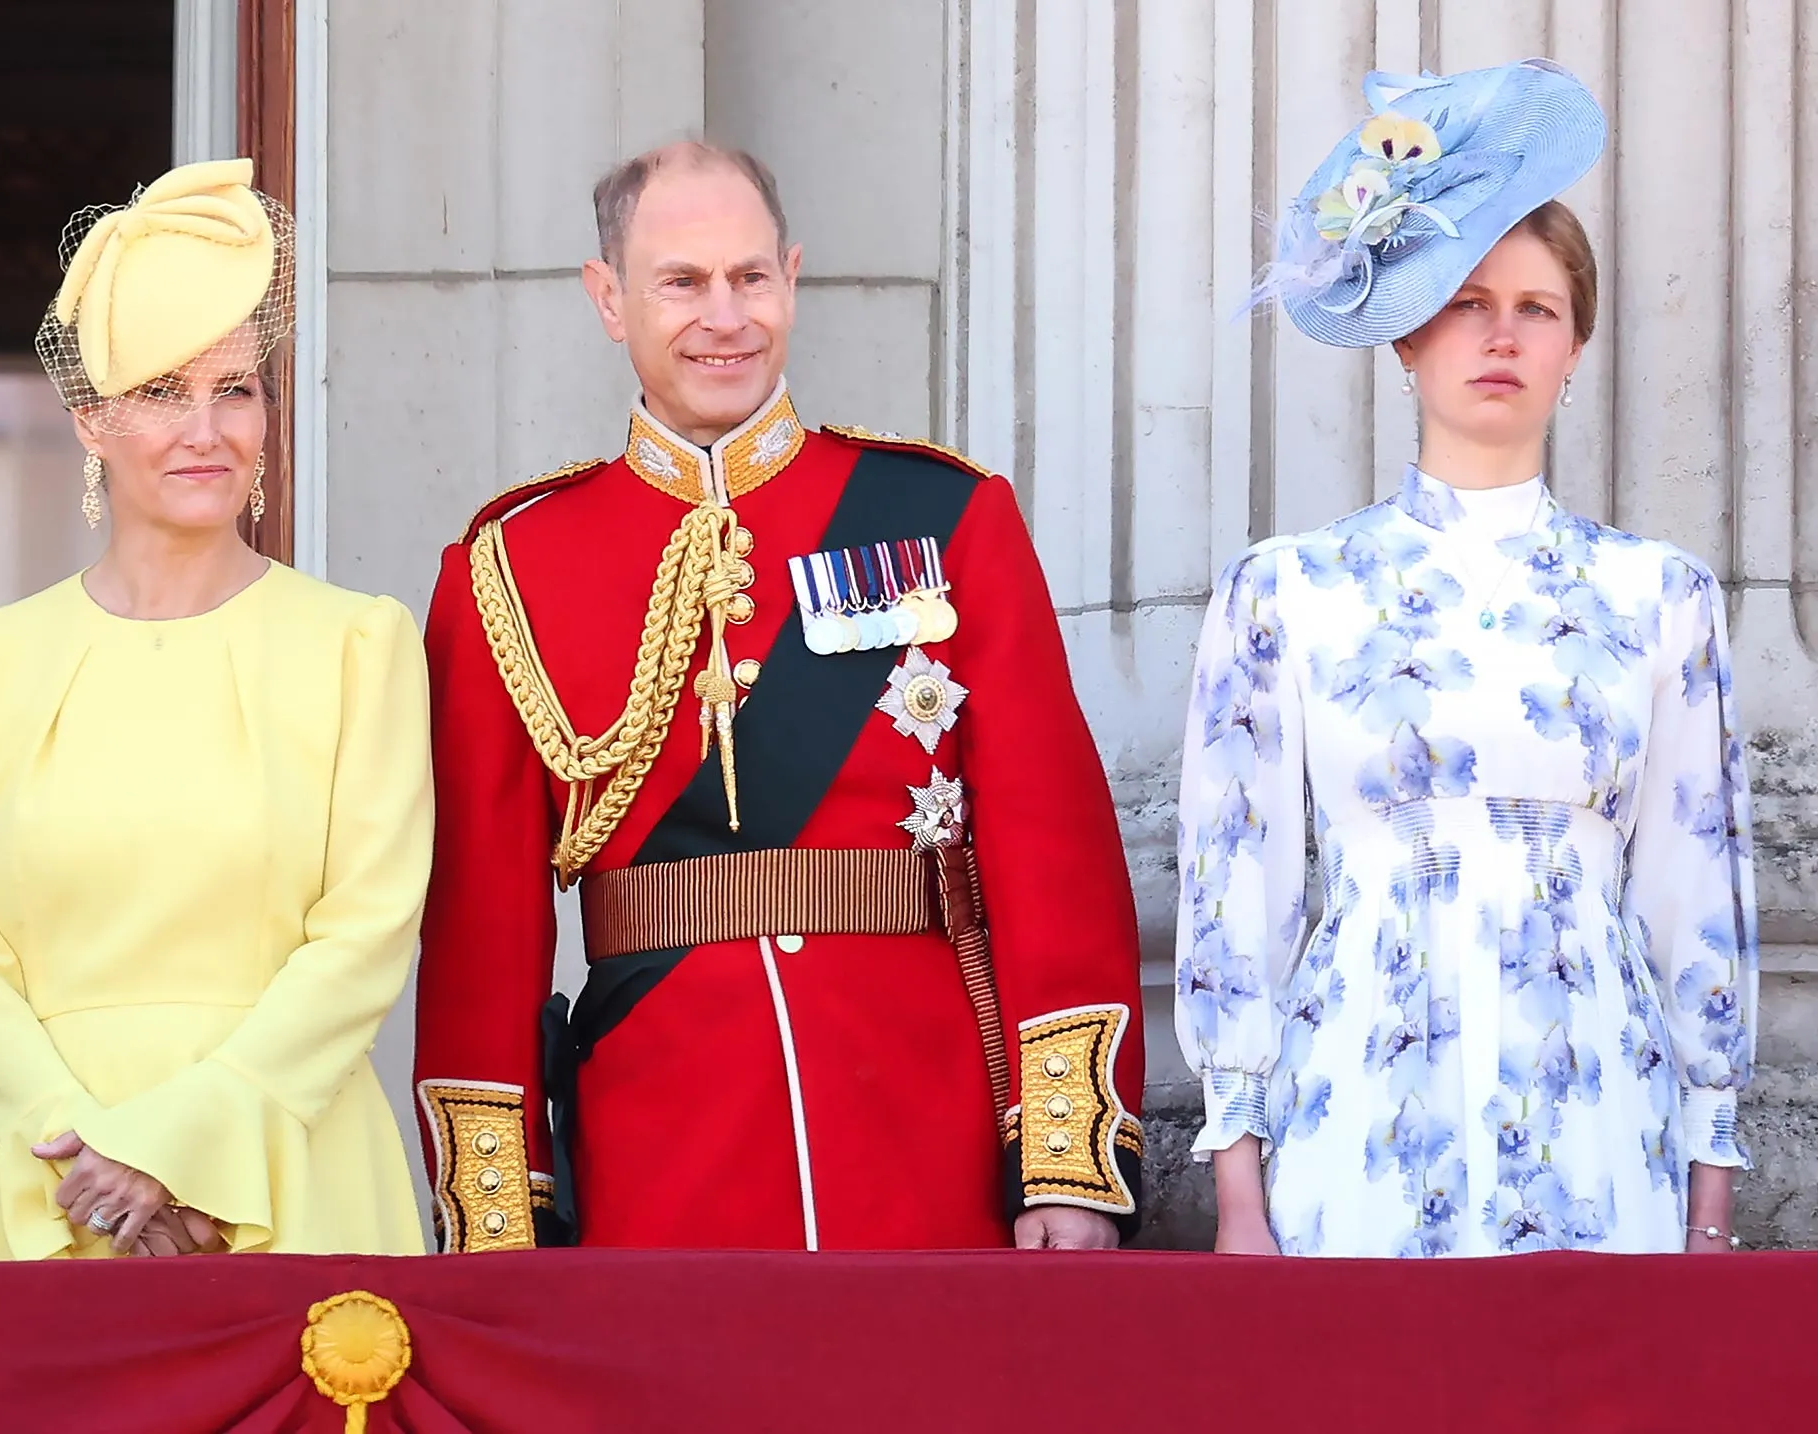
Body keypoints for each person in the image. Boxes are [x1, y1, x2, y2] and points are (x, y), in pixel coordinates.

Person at [414, 142, 1145, 1252]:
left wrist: (1064, 1163)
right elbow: (481, 934)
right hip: (663, 1154)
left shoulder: (943, 516)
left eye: (750, 277)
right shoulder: (510, 567)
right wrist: (501, 1218)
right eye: (681, 281)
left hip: (923, 1126)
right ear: (607, 298)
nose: (725, 315)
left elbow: (1053, 848)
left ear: (791, 279)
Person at [1176, 60, 1758, 1257]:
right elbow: (1239, 889)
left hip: (1604, 1120)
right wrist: (1240, 1190)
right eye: (1463, 300)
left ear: (1574, 347)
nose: (1498, 334)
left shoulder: (1658, 597)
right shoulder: (1284, 591)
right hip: (1356, 1124)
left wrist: (1706, 1194)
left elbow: (1693, 892)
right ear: (1400, 336)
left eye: (1535, 308)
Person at [0, 159, 431, 1259]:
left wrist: (183, 1150)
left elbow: (365, 934)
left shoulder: (357, 646)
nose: (207, 429)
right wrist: (91, 1166)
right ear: (91, 419)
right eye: (160, 391)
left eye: (235, 387)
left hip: (290, 1183)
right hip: (49, 1194)